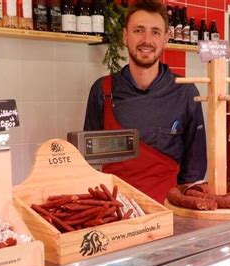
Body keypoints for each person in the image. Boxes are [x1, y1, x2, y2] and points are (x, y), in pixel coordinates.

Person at [83, 0, 207, 203]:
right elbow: (88, 162)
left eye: (156, 32)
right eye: (138, 30)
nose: (147, 40)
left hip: (169, 211)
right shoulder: (102, 90)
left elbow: (195, 166)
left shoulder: (186, 92)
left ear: (166, 38)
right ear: (125, 36)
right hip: (115, 211)